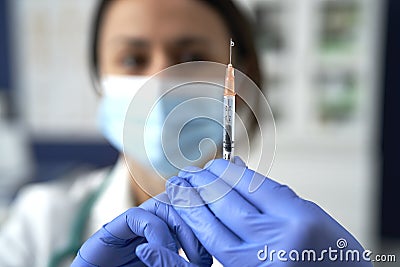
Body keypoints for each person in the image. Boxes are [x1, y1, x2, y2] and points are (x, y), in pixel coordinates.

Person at [0, 0, 371, 266]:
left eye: (192, 56)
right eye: (132, 59)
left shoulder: (301, 237)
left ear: (239, 83)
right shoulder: (39, 223)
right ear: (99, 81)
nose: (162, 81)